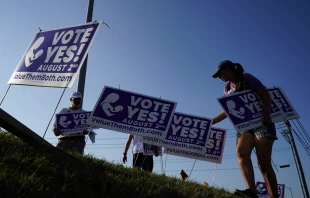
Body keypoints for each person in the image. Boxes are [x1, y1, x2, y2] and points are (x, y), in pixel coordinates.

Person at [211, 60, 279, 198]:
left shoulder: (246, 78)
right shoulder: (227, 89)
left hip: (262, 123)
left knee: (263, 162)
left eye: (220, 73)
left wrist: (266, 116)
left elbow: (265, 94)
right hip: (245, 127)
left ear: (227, 69)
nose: (219, 77)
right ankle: (251, 191)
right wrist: (211, 122)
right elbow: (227, 111)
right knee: (241, 152)